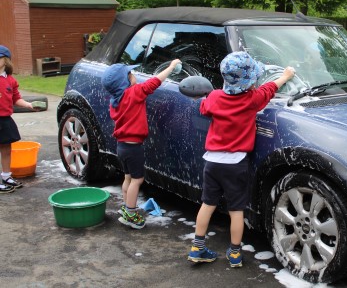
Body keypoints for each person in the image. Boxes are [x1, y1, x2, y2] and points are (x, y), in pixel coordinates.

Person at [187, 51, 295, 267]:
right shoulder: (252, 99)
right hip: (236, 164)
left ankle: (197, 248)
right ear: (249, 80)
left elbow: (203, 106)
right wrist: (285, 75)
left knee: (207, 204)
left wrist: (205, 98)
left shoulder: (215, 97)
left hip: (212, 162)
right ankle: (235, 253)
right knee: (236, 210)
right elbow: (270, 88)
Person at [101, 58, 181, 229]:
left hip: (122, 146)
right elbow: (155, 82)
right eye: (130, 74)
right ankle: (131, 213)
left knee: (128, 178)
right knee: (137, 180)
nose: (133, 75)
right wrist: (171, 66)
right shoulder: (133, 93)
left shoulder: (115, 100)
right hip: (133, 147)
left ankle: (125, 207)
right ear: (125, 81)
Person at [0, 45, 35, 193]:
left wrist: (27, 104)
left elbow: (16, 99)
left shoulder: (11, 81)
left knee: (7, 149)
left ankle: (6, 176)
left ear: (5, 61)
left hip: (5, 120)